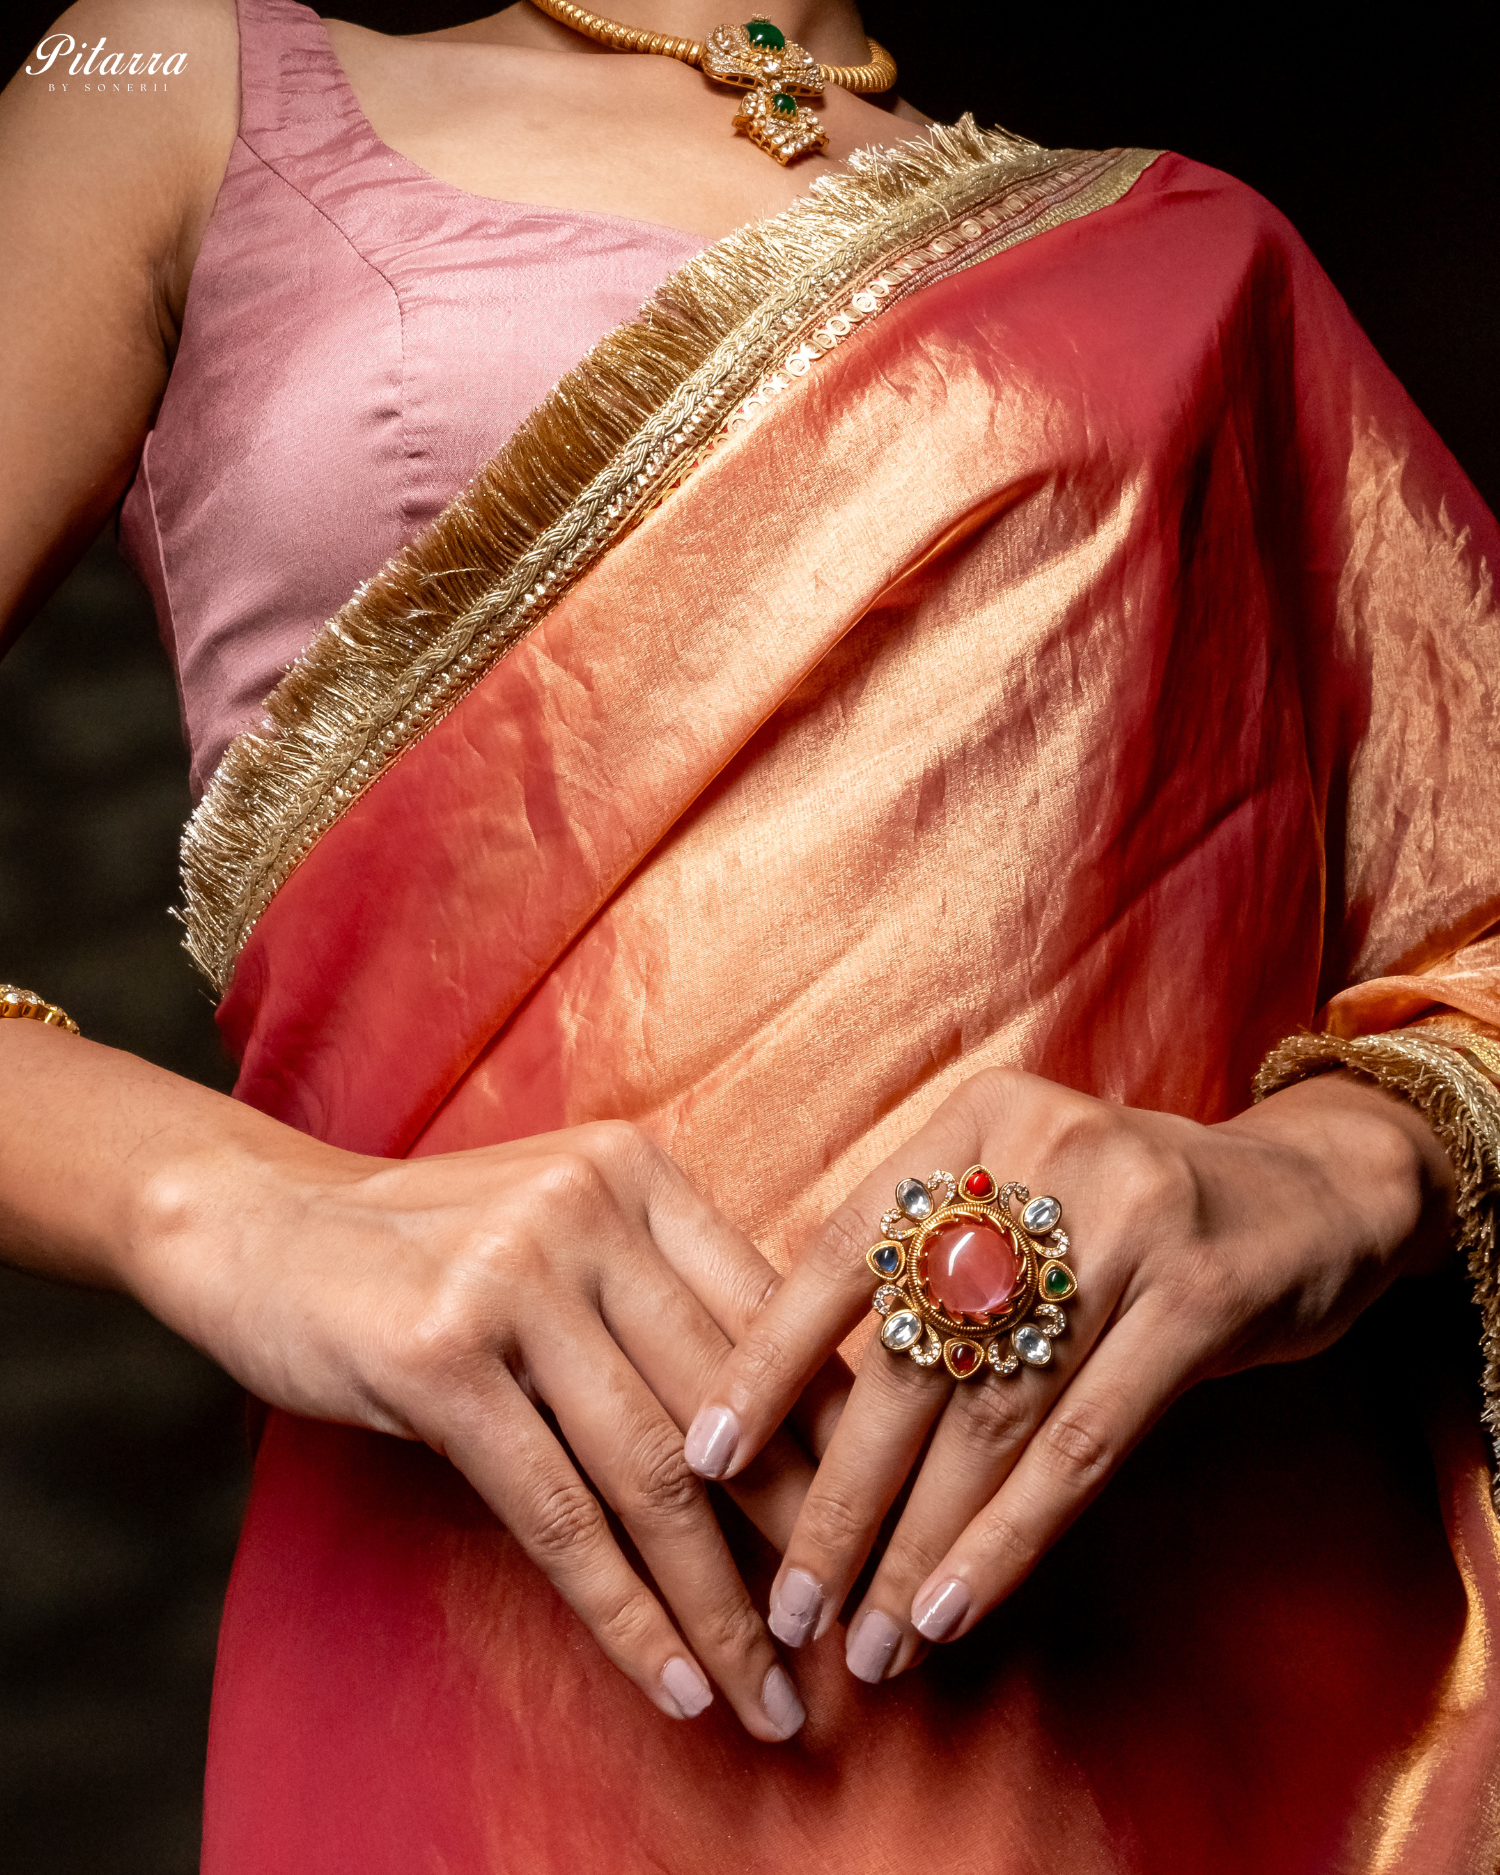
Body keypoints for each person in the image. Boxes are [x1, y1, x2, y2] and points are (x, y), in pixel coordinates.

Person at [2, 0, 1498, 1868]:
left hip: (1154, 1675)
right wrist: (224, 1204)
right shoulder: (156, 76)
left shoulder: (1202, 259)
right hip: (483, 1636)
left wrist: (1328, 1173)